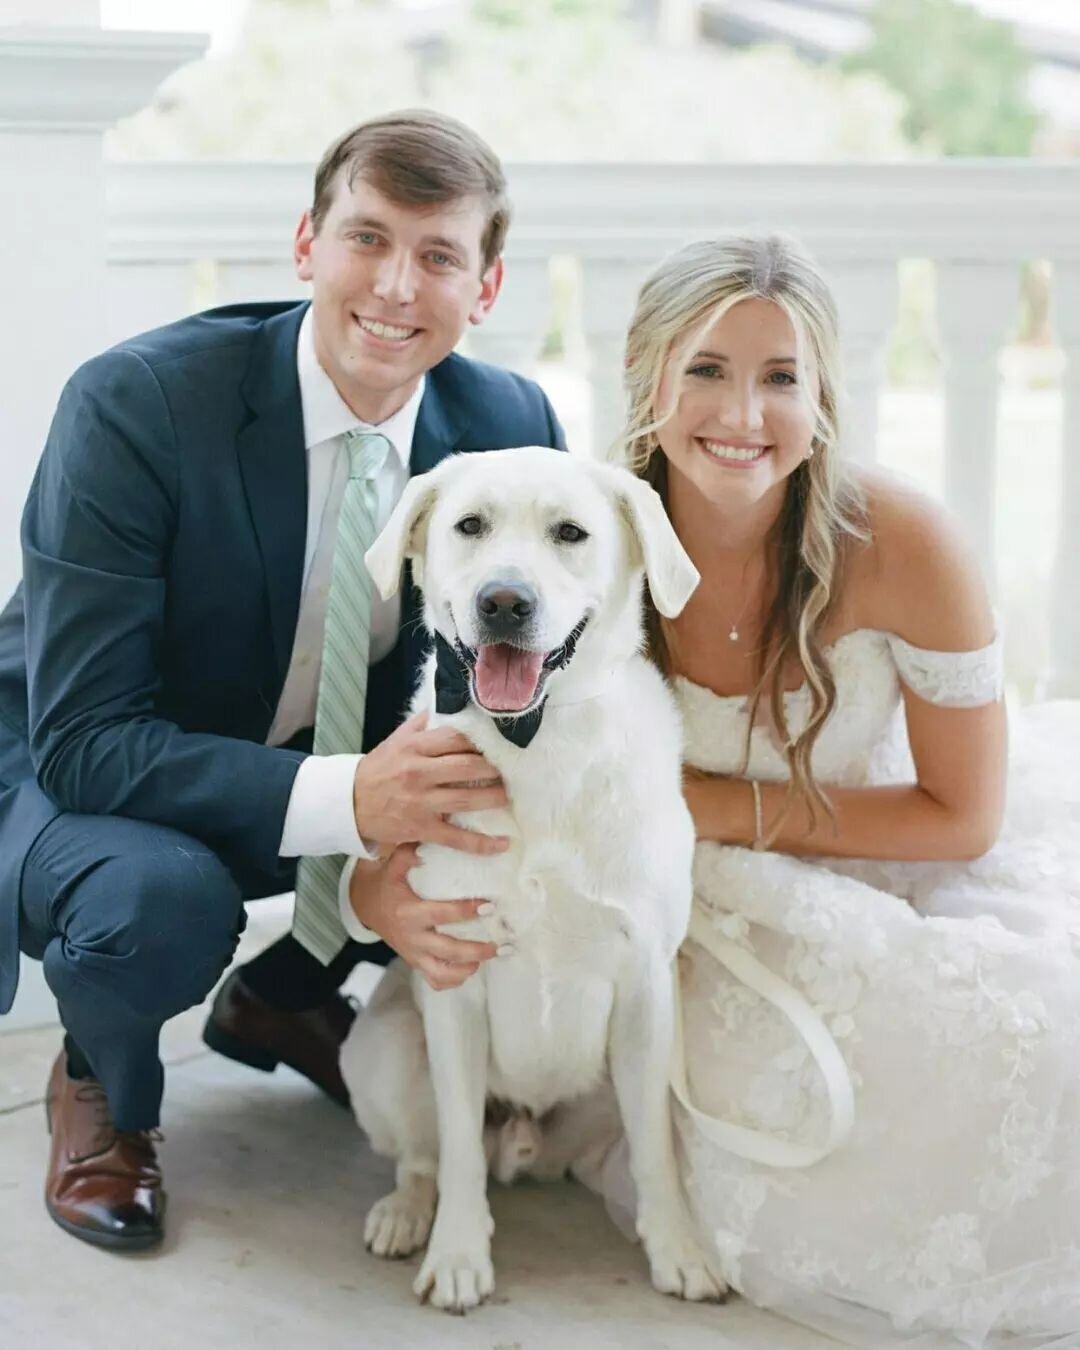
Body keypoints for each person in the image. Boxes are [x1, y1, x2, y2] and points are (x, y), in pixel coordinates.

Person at [0, 108, 565, 1252]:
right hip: (69, 765)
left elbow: (498, 692)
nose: (398, 287)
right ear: (306, 243)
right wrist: (355, 807)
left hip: (301, 758)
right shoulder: (139, 404)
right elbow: (87, 738)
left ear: (486, 287)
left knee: (486, 803)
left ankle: (286, 996)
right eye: (368, 238)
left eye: (439, 255)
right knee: (160, 903)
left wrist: (395, 859)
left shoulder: (509, 425)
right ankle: (104, 1085)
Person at [590, 234, 1080, 1346]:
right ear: (647, 377)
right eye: (707, 369)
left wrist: (715, 807)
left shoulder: (904, 544)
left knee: (1040, 1044)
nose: (742, 414)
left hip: (880, 855)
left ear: (824, 398)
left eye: (781, 379)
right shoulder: (593, 532)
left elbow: (965, 816)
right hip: (672, 901)